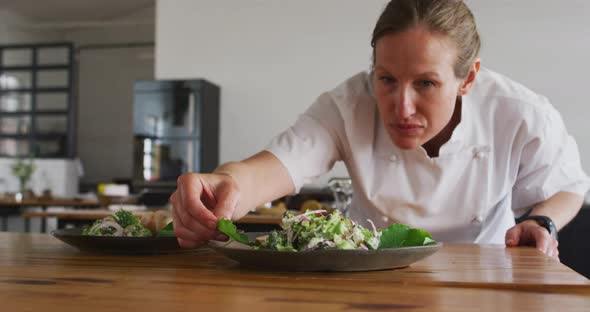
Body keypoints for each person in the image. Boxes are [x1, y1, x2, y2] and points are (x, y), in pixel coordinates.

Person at [170, 0, 590, 259]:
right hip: (372, 273)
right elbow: (272, 167)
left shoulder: (518, 112)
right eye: (386, 79)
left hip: (484, 271)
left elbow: (569, 186)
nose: (401, 107)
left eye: (425, 83)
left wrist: (544, 222)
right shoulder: (348, 103)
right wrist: (223, 184)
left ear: (468, 78)